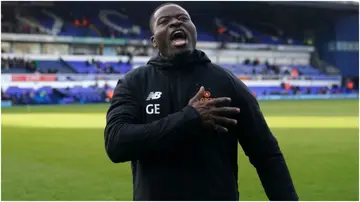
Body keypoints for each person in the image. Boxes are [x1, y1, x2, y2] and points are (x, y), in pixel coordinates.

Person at [104, 3, 298, 201]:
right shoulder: (134, 83)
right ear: (154, 41)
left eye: (183, 18)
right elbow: (116, 143)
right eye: (164, 21)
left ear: (194, 32)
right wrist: (191, 117)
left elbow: (266, 155)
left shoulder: (227, 82)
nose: (175, 22)